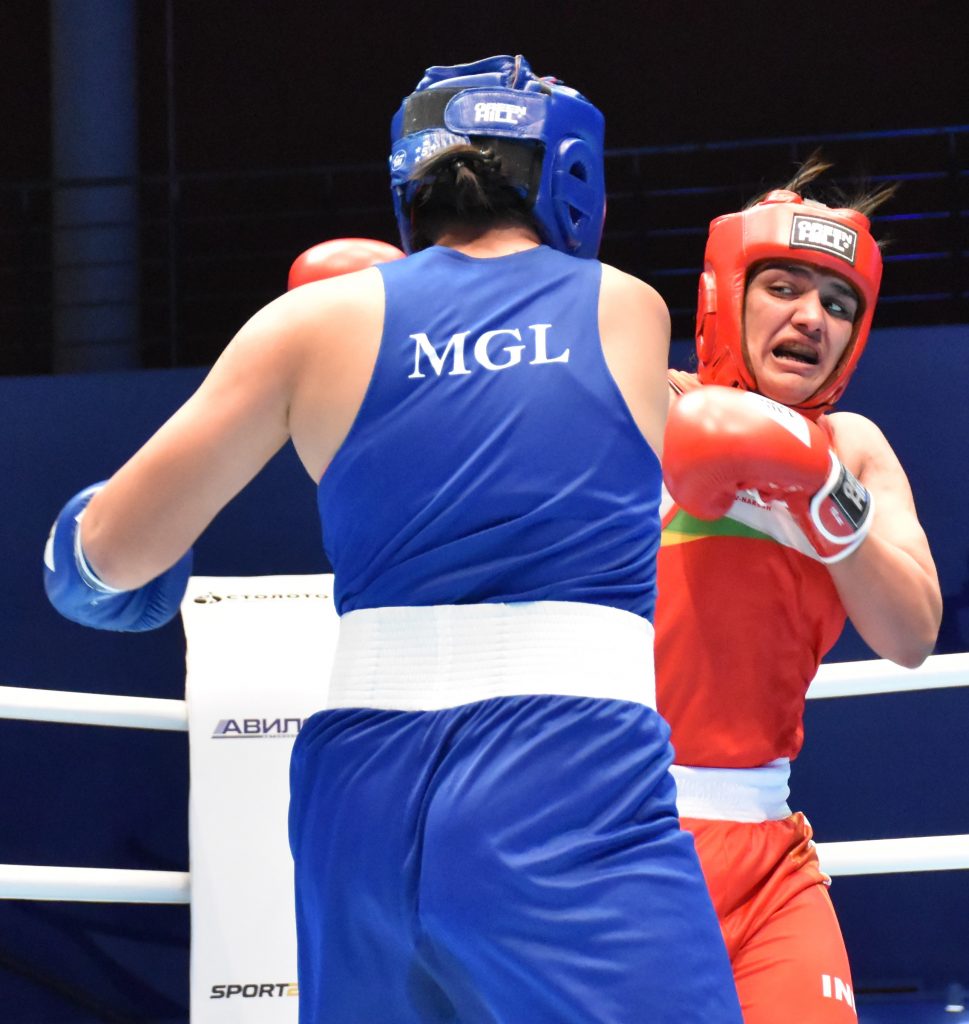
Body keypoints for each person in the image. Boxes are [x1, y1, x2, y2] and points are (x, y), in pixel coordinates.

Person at [43, 55, 743, 1023]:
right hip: (563, 772)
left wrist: (99, 545)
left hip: (356, 798)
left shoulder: (307, 324)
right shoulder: (625, 308)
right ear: (567, 174)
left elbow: (100, 561)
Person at [656, 159, 943, 1022]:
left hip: (767, 855)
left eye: (837, 303)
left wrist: (825, 499)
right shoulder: (639, 406)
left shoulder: (851, 448)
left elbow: (911, 633)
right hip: (615, 836)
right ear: (723, 296)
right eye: (781, 287)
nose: (811, 318)